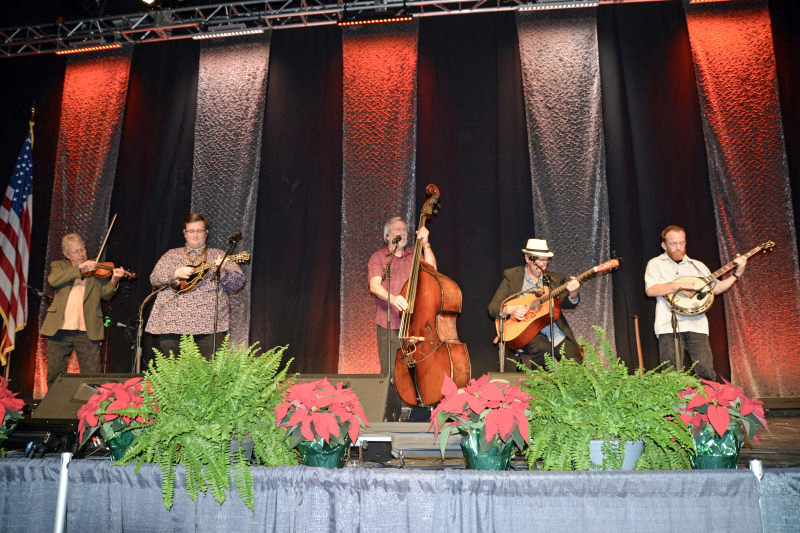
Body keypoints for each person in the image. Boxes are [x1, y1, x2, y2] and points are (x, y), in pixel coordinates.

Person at [644, 225, 746, 381]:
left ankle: (706, 405)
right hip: (668, 326)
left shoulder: (696, 266)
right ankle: (675, 405)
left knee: (706, 372)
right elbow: (651, 290)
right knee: (672, 375)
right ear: (664, 245)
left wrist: (737, 274)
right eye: (673, 244)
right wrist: (678, 286)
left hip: (696, 325)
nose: (678, 247)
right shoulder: (655, 264)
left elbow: (717, 288)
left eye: (682, 243)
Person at [146, 214, 244, 359]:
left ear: (206, 233)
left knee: (208, 375)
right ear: (184, 233)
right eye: (191, 231)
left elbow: (238, 283)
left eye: (199, 231)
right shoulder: (171, 255)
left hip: (209, 326)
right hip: (173, 324)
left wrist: (222, 272)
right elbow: (154, 279)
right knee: (174, 375)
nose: (195, 235)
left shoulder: (219, 255)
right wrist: (175, 272)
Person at [41, 234, 125, 386]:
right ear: (67, 254)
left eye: (83, 250)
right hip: (60, 328)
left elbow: (106, 295)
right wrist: (80, 268)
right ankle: (54, 407)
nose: (81, 254)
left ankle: (89, 408)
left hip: (87, 329)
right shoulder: (59, 266)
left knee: (91, 375)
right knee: (55, 374)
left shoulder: (97, 270)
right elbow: (54, 280)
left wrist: (114, 280)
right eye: (76, 252)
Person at [488, 238, 581, 367]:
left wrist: (573, 294)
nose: (542, 264)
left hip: (553, 329)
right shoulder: (512, 276)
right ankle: (543, 386)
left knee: (574, 357)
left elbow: (566, 303)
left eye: (545, 260)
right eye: (538, 259)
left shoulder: (554, 280)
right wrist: (511, 309)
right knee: (544, 349)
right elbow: (493, 308)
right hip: (525, 331)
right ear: (527, 258)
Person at [368, 216, 436, 378]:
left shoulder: (414, 255)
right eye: (398, 229)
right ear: (388, 236)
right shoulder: (378, 257)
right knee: (390, 371)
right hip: (388, 324)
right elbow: (374, 286)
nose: (403, 232)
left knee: (419, 370)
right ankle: (390, 403)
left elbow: (433, 272)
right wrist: (393, 298)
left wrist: (425, 244)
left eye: (405, 229)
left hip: (415, 323)